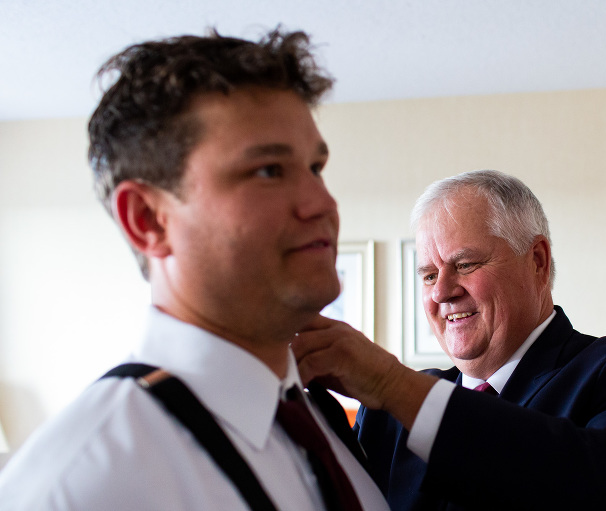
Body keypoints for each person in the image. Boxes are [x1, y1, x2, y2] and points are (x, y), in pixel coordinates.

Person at [0, 28, 389, 511]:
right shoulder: (79, 486)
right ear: (147, 221)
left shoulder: (326, 429)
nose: (323, 204)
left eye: (316, 167)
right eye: (268, 170)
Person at [293, 170, 606, 511]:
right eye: (428, 274)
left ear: (537, 260)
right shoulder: (385, 416)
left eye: (466, 264)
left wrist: (391, 383)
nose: (441, 292)